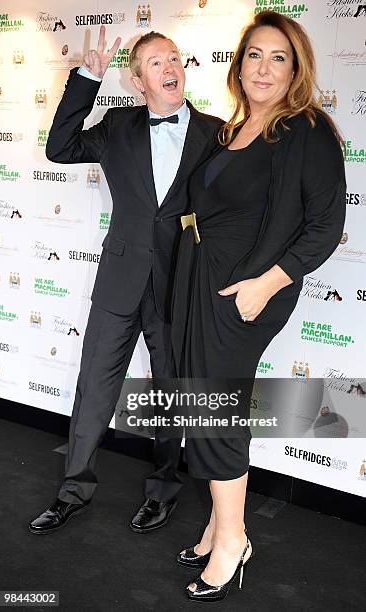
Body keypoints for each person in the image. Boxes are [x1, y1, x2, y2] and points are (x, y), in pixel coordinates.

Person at [171, 11, 346, 602]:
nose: (263, 67)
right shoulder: (236, 128)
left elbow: (324, 228)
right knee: (205, 402)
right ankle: (219, 524)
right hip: (204, 282)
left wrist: (263, 285)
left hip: (247, 290)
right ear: (238, 64)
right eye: (253, 55)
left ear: (296, 68)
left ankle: (232, 542)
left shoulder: (306, 129)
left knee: (217, 408)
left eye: (278, 57)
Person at [28, 27, 223, 535]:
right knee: (94, 388)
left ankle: (163, 491)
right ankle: (73, 491)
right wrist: (87, 78)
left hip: (178, 284)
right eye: (156, 63)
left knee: (170, 394)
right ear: (138, 82)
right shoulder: (117, 125)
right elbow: (59, 148)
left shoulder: (215, 131)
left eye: (175, 59)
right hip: (118, 279)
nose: (170, 68)